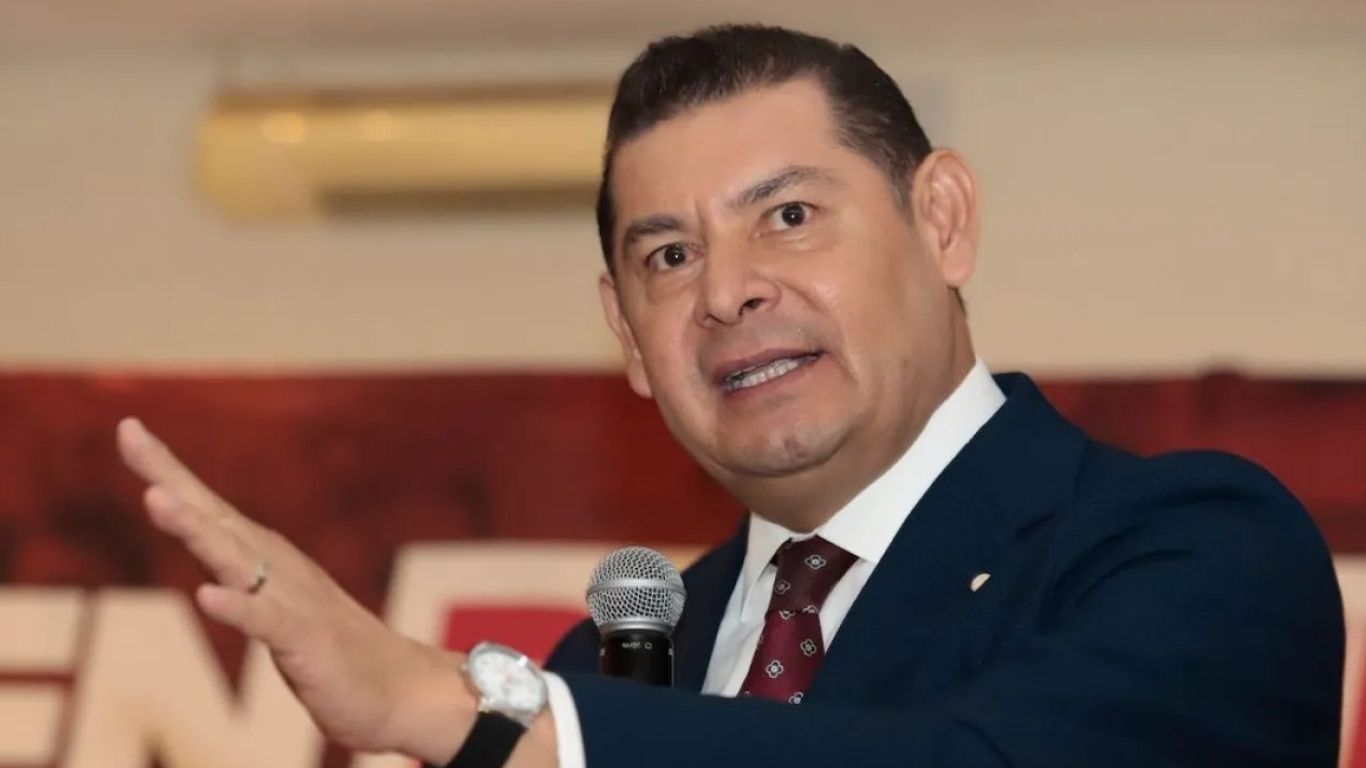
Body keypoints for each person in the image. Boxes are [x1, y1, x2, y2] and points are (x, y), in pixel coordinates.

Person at [115, 24, 1344, 768]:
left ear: (941, 221)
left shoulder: (1193, 548)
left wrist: (447, 703)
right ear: (628, 338)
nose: (726, 291)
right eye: (668, 255)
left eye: (789, 216)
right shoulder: (611, 666)